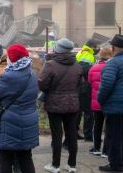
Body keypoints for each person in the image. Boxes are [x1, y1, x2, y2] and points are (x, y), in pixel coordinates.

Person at [0, 44, 39, 173]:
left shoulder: (8, 76)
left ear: (12, 58)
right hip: (29, 122)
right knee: (26, 158)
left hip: (10, 124)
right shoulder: (32, 74)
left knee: (5, 159)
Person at [38, 38, 83, 173]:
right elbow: (81, 81)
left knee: (56, 135)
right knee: (72, 134)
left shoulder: (50, 64)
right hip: (72, 103)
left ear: (56, 49)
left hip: (55, 104)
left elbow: (42, 83)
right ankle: (72, 165)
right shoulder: (76, 64)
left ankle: (55, 165)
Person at [97, 35, 123, 172]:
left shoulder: (113, 63)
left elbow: (106, 86)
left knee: (114, 136)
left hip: (116, 107)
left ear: (112, 48)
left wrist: (100, 99)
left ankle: (116, 165)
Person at [88, 48, 112, 157]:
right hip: (109, 101)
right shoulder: (112, 67)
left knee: (97, 125)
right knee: (109, 126)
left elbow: (90, 82)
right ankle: (106, 150)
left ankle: (96, 147)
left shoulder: (93, 68)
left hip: (96, 100)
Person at [76, 38, 101, 142]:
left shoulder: (82, 52)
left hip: (80, 84)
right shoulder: (87, 54)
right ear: (92, 47)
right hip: (85, 85)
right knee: (88, 111)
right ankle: (87, 134)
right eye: (97, 48)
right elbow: (83, 69)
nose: (98, 50)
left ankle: (75, 132)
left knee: (78, 110)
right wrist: (94, 68)